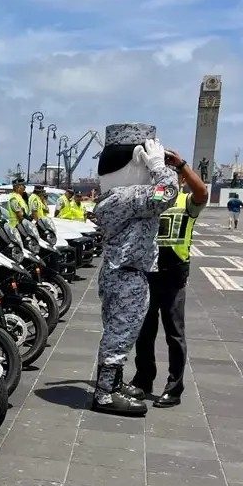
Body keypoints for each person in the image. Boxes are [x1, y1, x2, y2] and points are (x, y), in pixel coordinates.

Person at [89, 123, 180, 416]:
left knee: (119, 331)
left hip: (119, 271)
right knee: (120, 334)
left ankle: (112, 383)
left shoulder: (118, 195)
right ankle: (105, 394)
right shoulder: (132, 196)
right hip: (127, 274)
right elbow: (167, 193)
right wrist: (158, 165)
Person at [124, 169, 208, 408]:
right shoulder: (155, 201)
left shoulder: (186, 202)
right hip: (148, 273)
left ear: (181, 180)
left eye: (174, 177)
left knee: (175, 334)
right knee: (144, 331)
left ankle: (174, 387)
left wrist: (182, 165)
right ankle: (143, 379)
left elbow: (202, 191)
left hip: (173, 275)